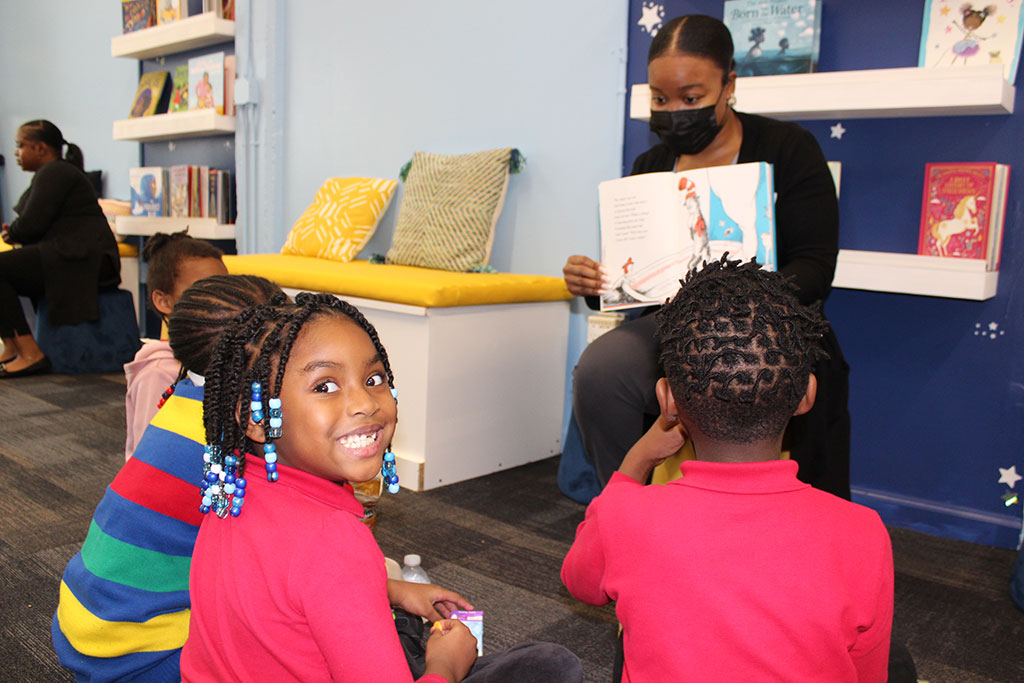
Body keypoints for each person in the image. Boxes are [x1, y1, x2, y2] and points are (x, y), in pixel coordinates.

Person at [180, 293, 583, 683]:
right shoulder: (333, 540)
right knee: (550, 665)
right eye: (325, 386)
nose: (366, 403)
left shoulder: (228, 490)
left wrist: (389, 590)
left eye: (373, 379)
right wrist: (445, 666)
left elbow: (278, 590)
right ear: (257, 418)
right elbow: (320, 566)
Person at [561, 257, 893, 682]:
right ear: (807, 394)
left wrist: (634, 464)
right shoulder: (864, 532)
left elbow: (580, 581)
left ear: (667, 399)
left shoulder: (623, 515)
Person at [563, 14, 850, 498]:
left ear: (729, 85)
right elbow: (636, 280)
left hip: (770, 329)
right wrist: (596, 285)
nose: (674, 111)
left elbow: (815, 268)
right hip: (673, 328)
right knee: (601, 370)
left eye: (691, 98)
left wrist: (736, 300)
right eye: (660, 99)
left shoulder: (789, 148)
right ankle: (627, 505)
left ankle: (773, 517)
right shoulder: (650, 165)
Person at [52, 275, 285, 683]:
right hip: (138, 654)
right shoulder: (232, 440)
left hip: (89, 626)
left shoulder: (185, 401)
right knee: (289, 630)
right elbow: (277, 558)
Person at [0, 119, 121, 378]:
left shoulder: (56, 172)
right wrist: (15, 232)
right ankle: (13, 347)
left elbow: (30, 225)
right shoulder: (53, 173)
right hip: (73, 255)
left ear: (41, 148)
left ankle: (30, 353)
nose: (16, 153)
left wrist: (13, 232)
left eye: (20, 145)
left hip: (86, 259)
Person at [123, 232, 228, 460]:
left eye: (225, 290)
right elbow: (148, 457)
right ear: (164, 301)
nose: (219, 301)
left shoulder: (225, 359)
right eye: (203, 291)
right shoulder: (157, 374)